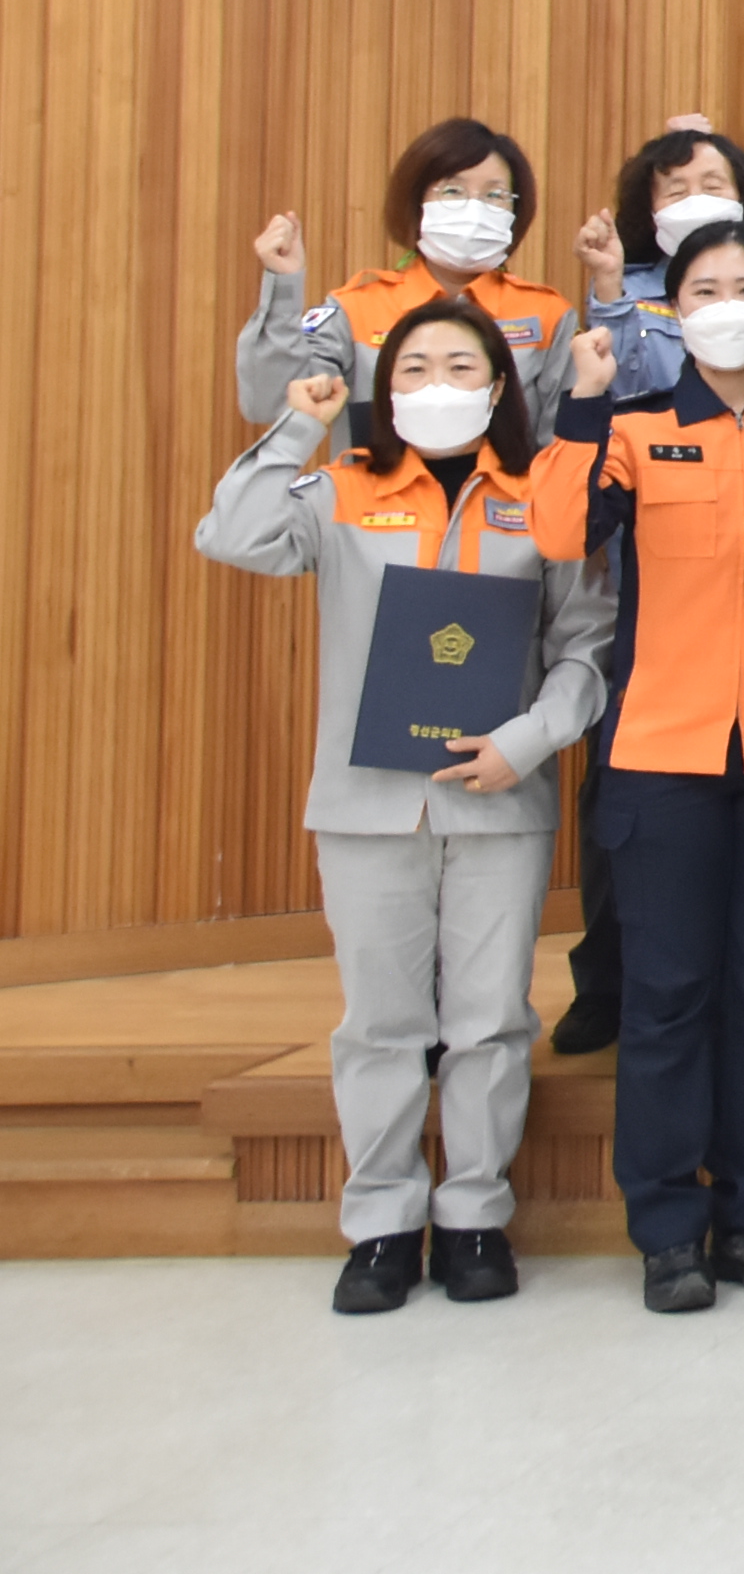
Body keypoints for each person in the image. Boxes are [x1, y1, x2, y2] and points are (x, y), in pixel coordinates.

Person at [195, 300, 614, 1314]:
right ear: (385, 389)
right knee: (383, 1023)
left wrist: (527, 742)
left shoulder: (540, 495)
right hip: (367, 807)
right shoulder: (341, 487)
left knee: (488, 1021)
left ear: (499, 386)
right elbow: (231, 534)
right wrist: (297, 425)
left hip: (499, 806)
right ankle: (381, 1223)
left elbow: (585, 648)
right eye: (414, 365)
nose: (436, 382)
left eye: (460, 365)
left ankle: (474, 1216)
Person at [559, 221, 744, 1315]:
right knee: (667, 994)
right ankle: (668, 1229)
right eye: (704, 289)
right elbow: (559, 531)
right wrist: (581, 403)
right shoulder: (632, 427)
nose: (728, 306)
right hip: (662, 752)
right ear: (671, 310)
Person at [242, 119, 579, 444]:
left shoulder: (546, 315)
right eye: (453, 191)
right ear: (416, 203)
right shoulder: (356, 309)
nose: (475, 208)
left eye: (495, 195)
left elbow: (563, 450)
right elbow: (270, 403)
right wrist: (283, 286)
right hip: (374, 485)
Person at [576, 128, 744, 398]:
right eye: (677, 192)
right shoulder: (623, 290)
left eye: (712, 187)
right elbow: (617, 392)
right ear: (651, 211)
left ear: (742, 197)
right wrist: (608, 282)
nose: (697, 200)